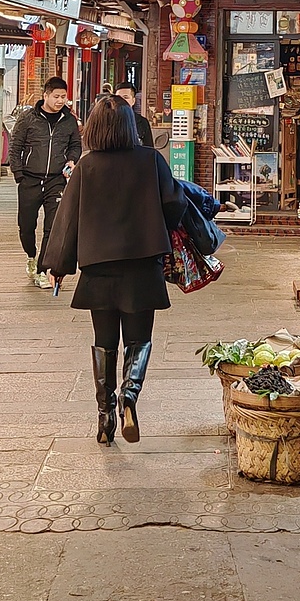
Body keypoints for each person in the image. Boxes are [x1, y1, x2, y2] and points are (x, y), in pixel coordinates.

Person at [41, 94, 181, 446]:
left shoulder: (86, 167)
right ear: (130, 127)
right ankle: (129, 398)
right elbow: (174, 204)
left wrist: (58, 265)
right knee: (139, 340)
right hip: (142, 266)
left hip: (98, 269)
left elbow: (67, 219)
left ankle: (104, 416)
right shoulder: (151, 160)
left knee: (104, 343)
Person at [8, 76, 81, 288]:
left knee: (52, 227)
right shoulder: (28, 118)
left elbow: (76, 145)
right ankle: (31, 256)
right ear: (45, 95)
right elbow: (15, 147)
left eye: (63, 97)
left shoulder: (68, 120)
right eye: (56, 96)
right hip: (29, 179)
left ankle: (42, 269)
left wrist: (72, 160)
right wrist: (19, 174)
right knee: (26, 226)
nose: (60, 101)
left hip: (56, 180)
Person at [113, 83, 155, 148]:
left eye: (126, 97)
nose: (121, 101)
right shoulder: (107, 120)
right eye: (118, 98)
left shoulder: (142, 122)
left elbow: (149, 150)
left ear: (133, 101)